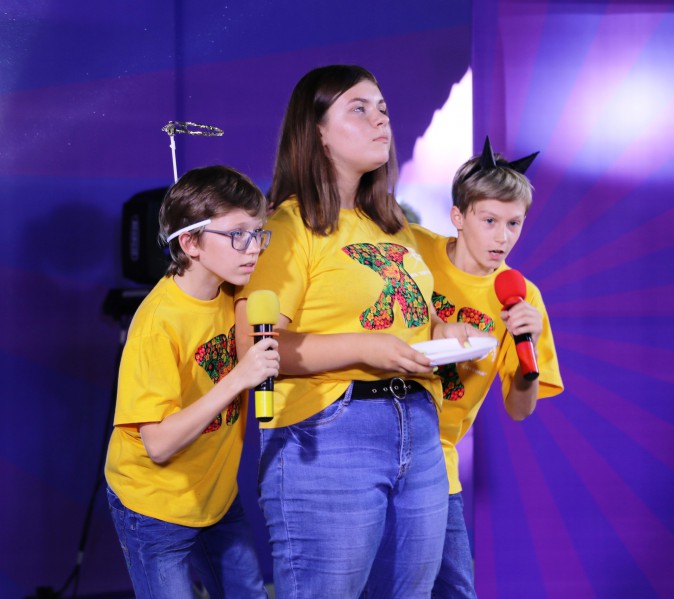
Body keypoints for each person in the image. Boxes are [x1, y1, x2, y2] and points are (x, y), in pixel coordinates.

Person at [234, 65, 485, 599]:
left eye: (383, 109)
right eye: (359, 108)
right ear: (318, 132)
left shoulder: (393, 226)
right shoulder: (287, 227)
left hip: (419, 427)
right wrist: (368, 348)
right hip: (327, 433)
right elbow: (256, 346)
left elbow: (405, 319)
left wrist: (445, 329)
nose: (381, 121)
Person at [105, 165, 278, 598]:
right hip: (155, 506)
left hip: (216, 497)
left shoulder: (234, 294)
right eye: (237, 235)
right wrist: (238, 378)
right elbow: (159, 444)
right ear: (190, 243)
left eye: (257, 233)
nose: (253, 248)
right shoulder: (157, 325)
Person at [410, 138, 564, 598]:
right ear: (458, 217)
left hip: (437, 457)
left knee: (456, 589)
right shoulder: (413, 247)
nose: (502, 238)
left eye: (514, 223)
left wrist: (527, 360)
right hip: (378, 440)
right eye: (490, 221)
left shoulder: (523, 295)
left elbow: (520, 409)